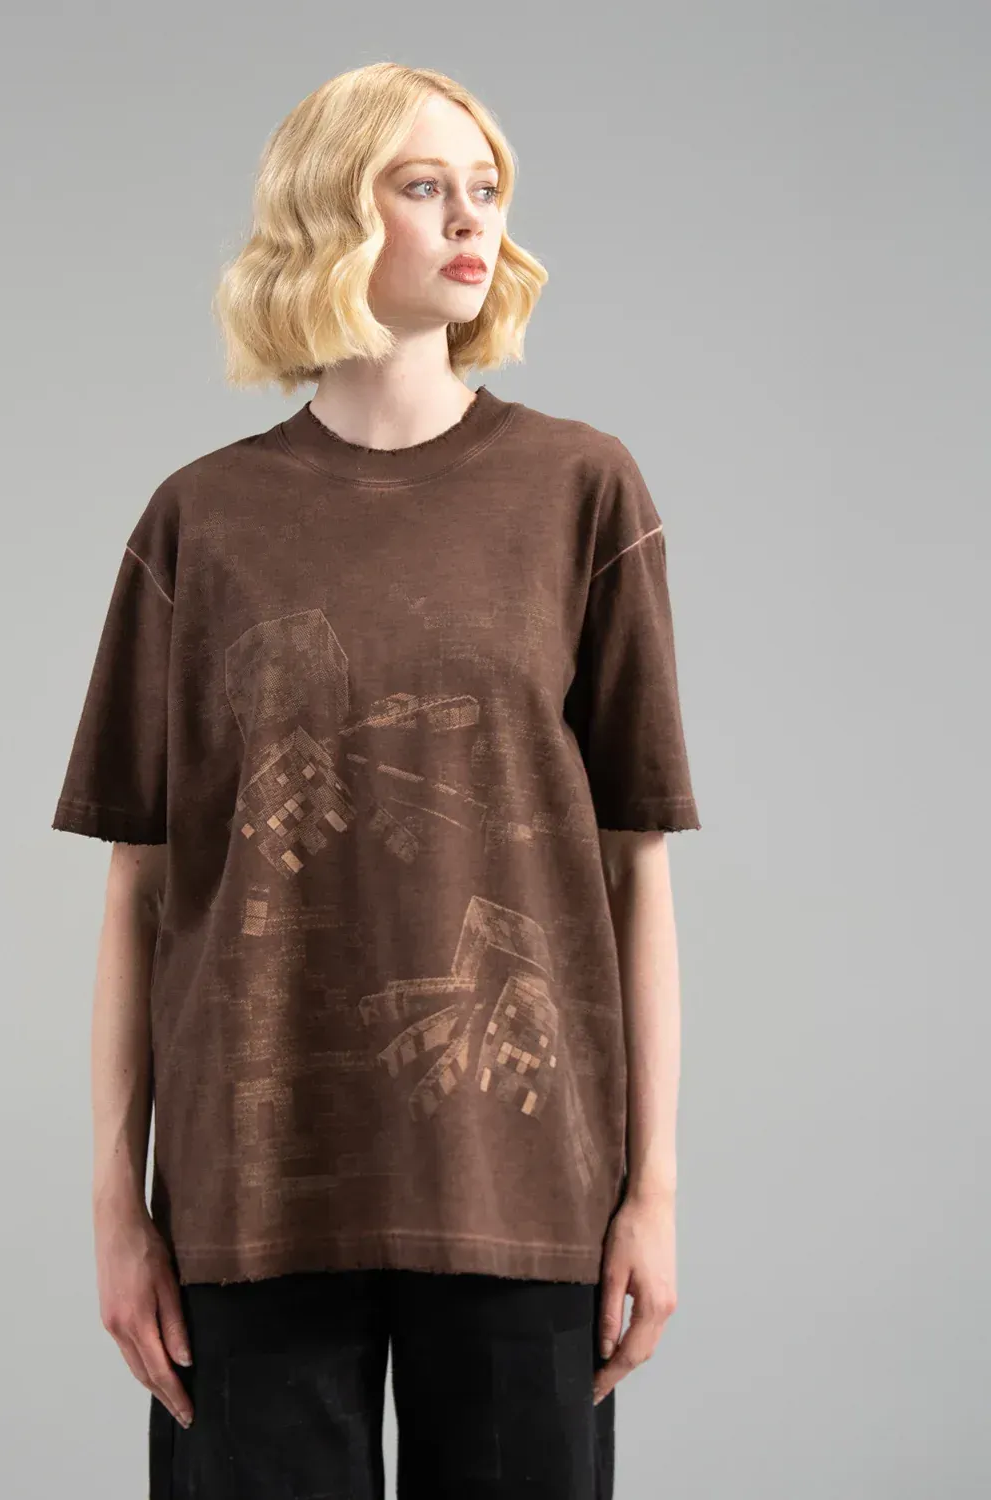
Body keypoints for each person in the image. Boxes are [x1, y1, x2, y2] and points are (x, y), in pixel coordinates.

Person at [52, 60, 701, 1500]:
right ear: (330, 213)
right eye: (423, 185)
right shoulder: (201, 521)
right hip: (251, 1196)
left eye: (487, 188)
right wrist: (116, 1209)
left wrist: (652, 1191)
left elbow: (633, 866)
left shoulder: (583, 492)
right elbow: (141, 891)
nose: (471, 219)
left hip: (524, 1190)